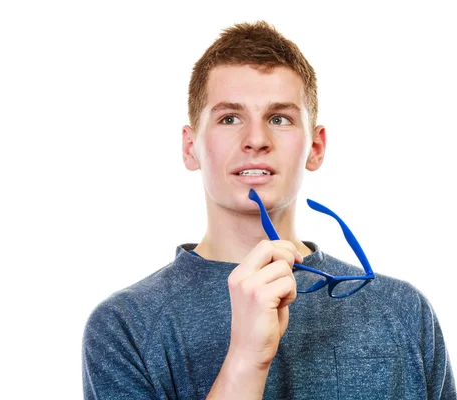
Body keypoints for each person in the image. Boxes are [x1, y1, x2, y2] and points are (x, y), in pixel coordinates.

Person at [81, 20, 456, 399]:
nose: (256, 140)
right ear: (189, 147)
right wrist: (246, 358)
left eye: (280, 119)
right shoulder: (124, 327)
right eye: (229, 118)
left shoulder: (403, 311)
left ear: (315, 148)